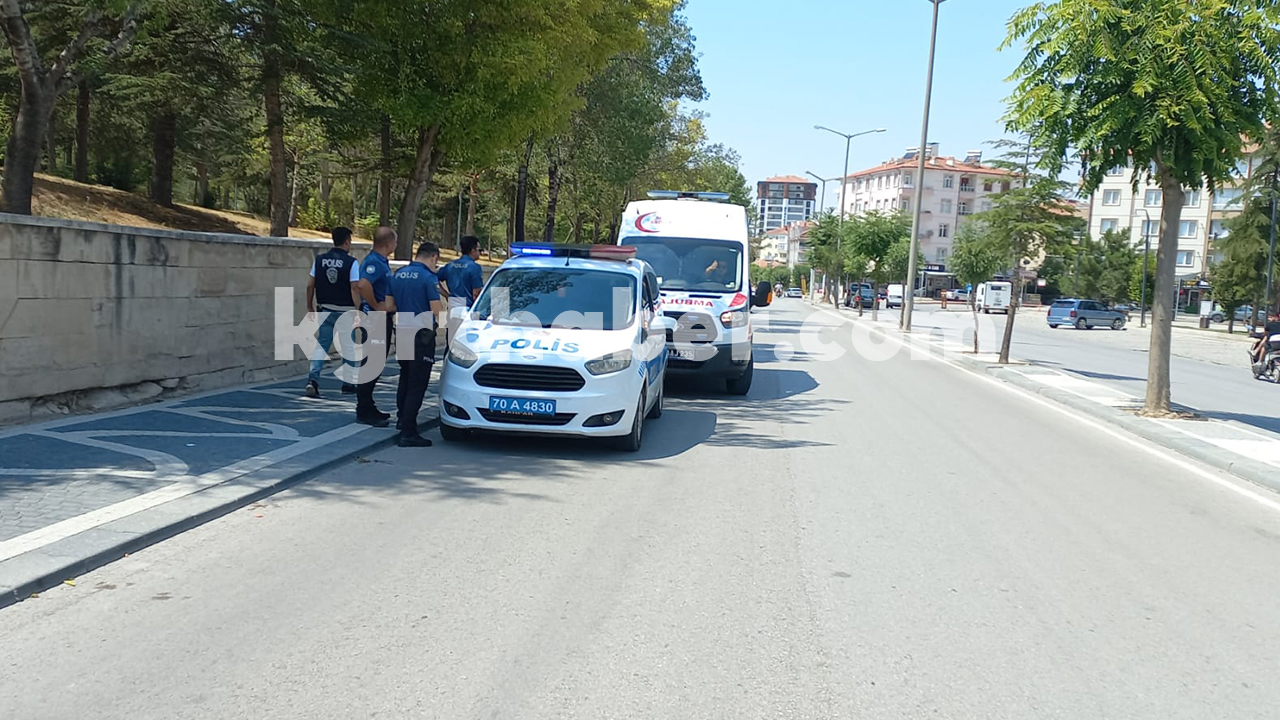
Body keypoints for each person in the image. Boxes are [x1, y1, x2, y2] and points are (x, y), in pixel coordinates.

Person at [388, 242, 444, 447]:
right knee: (417, 383)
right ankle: (408, 432)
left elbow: (389, 305)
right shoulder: (429, 278)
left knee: (405, 377)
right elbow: (436, 310)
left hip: (402, 329)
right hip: (421, 335)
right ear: (434, 257)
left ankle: (401, 419)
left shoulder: (397, 274)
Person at [304, 226, 360, 398]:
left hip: (325, 309)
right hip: (345, 311)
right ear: (347, 241)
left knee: (321, 345)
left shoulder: (319, 260)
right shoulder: (351, 262)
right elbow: (354, 288)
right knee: (348, 346)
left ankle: (313, 379)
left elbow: (310, 285)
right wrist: (359, 310)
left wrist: (309, 306)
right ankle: (348, 383)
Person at [352, 226, 397, 427]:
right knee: (372, 364)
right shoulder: (374, 262)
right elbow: (363, 285)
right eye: (395, 241)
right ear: (388, 243)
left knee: (376, 364)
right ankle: (363, 409)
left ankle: (368, 405)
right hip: (375, 319)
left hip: (379, 318)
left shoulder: (381, 261)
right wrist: (375, 305)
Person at [442, 235, 485, 343]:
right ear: (473, 250)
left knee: (451, 342)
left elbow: (433, 280)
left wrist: (446, 295)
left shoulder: (450, 265)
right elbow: (476, 293)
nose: (480, 253)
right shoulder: (474, 267)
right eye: (479, 250)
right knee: (468, 343)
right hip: (468, 310)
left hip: (452, 309)